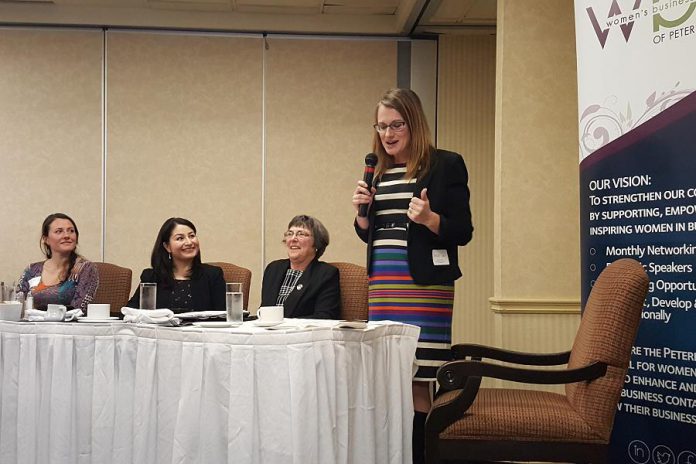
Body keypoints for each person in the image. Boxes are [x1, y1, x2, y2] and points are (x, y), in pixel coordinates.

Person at [351, 88, 473, 464]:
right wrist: (361, 215)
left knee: (419, 377)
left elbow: (463, 231)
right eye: (382, 126)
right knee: (391, 378)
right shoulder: (378, 172)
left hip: (423, 288)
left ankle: (422, 457)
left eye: (396, 124)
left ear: (414, 123)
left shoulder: (445, 164)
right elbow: (372, 232)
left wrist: (430, 219)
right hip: (384, 287)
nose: (388, 134)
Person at [127, 217, 225, 311]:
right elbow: (130, 312)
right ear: (167, 246)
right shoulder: (152, 277)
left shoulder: (213, 275)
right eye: (180, 238)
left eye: (192, 236)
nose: (189, 242)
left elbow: (224, 315)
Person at [260, 215, 340, 319]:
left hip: (303, 334)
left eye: (301, 234)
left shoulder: (326, 274)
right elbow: (264, 311)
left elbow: (324, 317)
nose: (293, 239)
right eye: (290, 234)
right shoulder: (273, 269)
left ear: (317, 243)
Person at [17, 213, 99, 311]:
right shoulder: (32, 270)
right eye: (59, 231)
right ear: (45, 239)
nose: (67, 235)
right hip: (32, 324)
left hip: (69, 325)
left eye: (71, 231)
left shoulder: (85, 269)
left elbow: (79, 311)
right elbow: (18, 304)